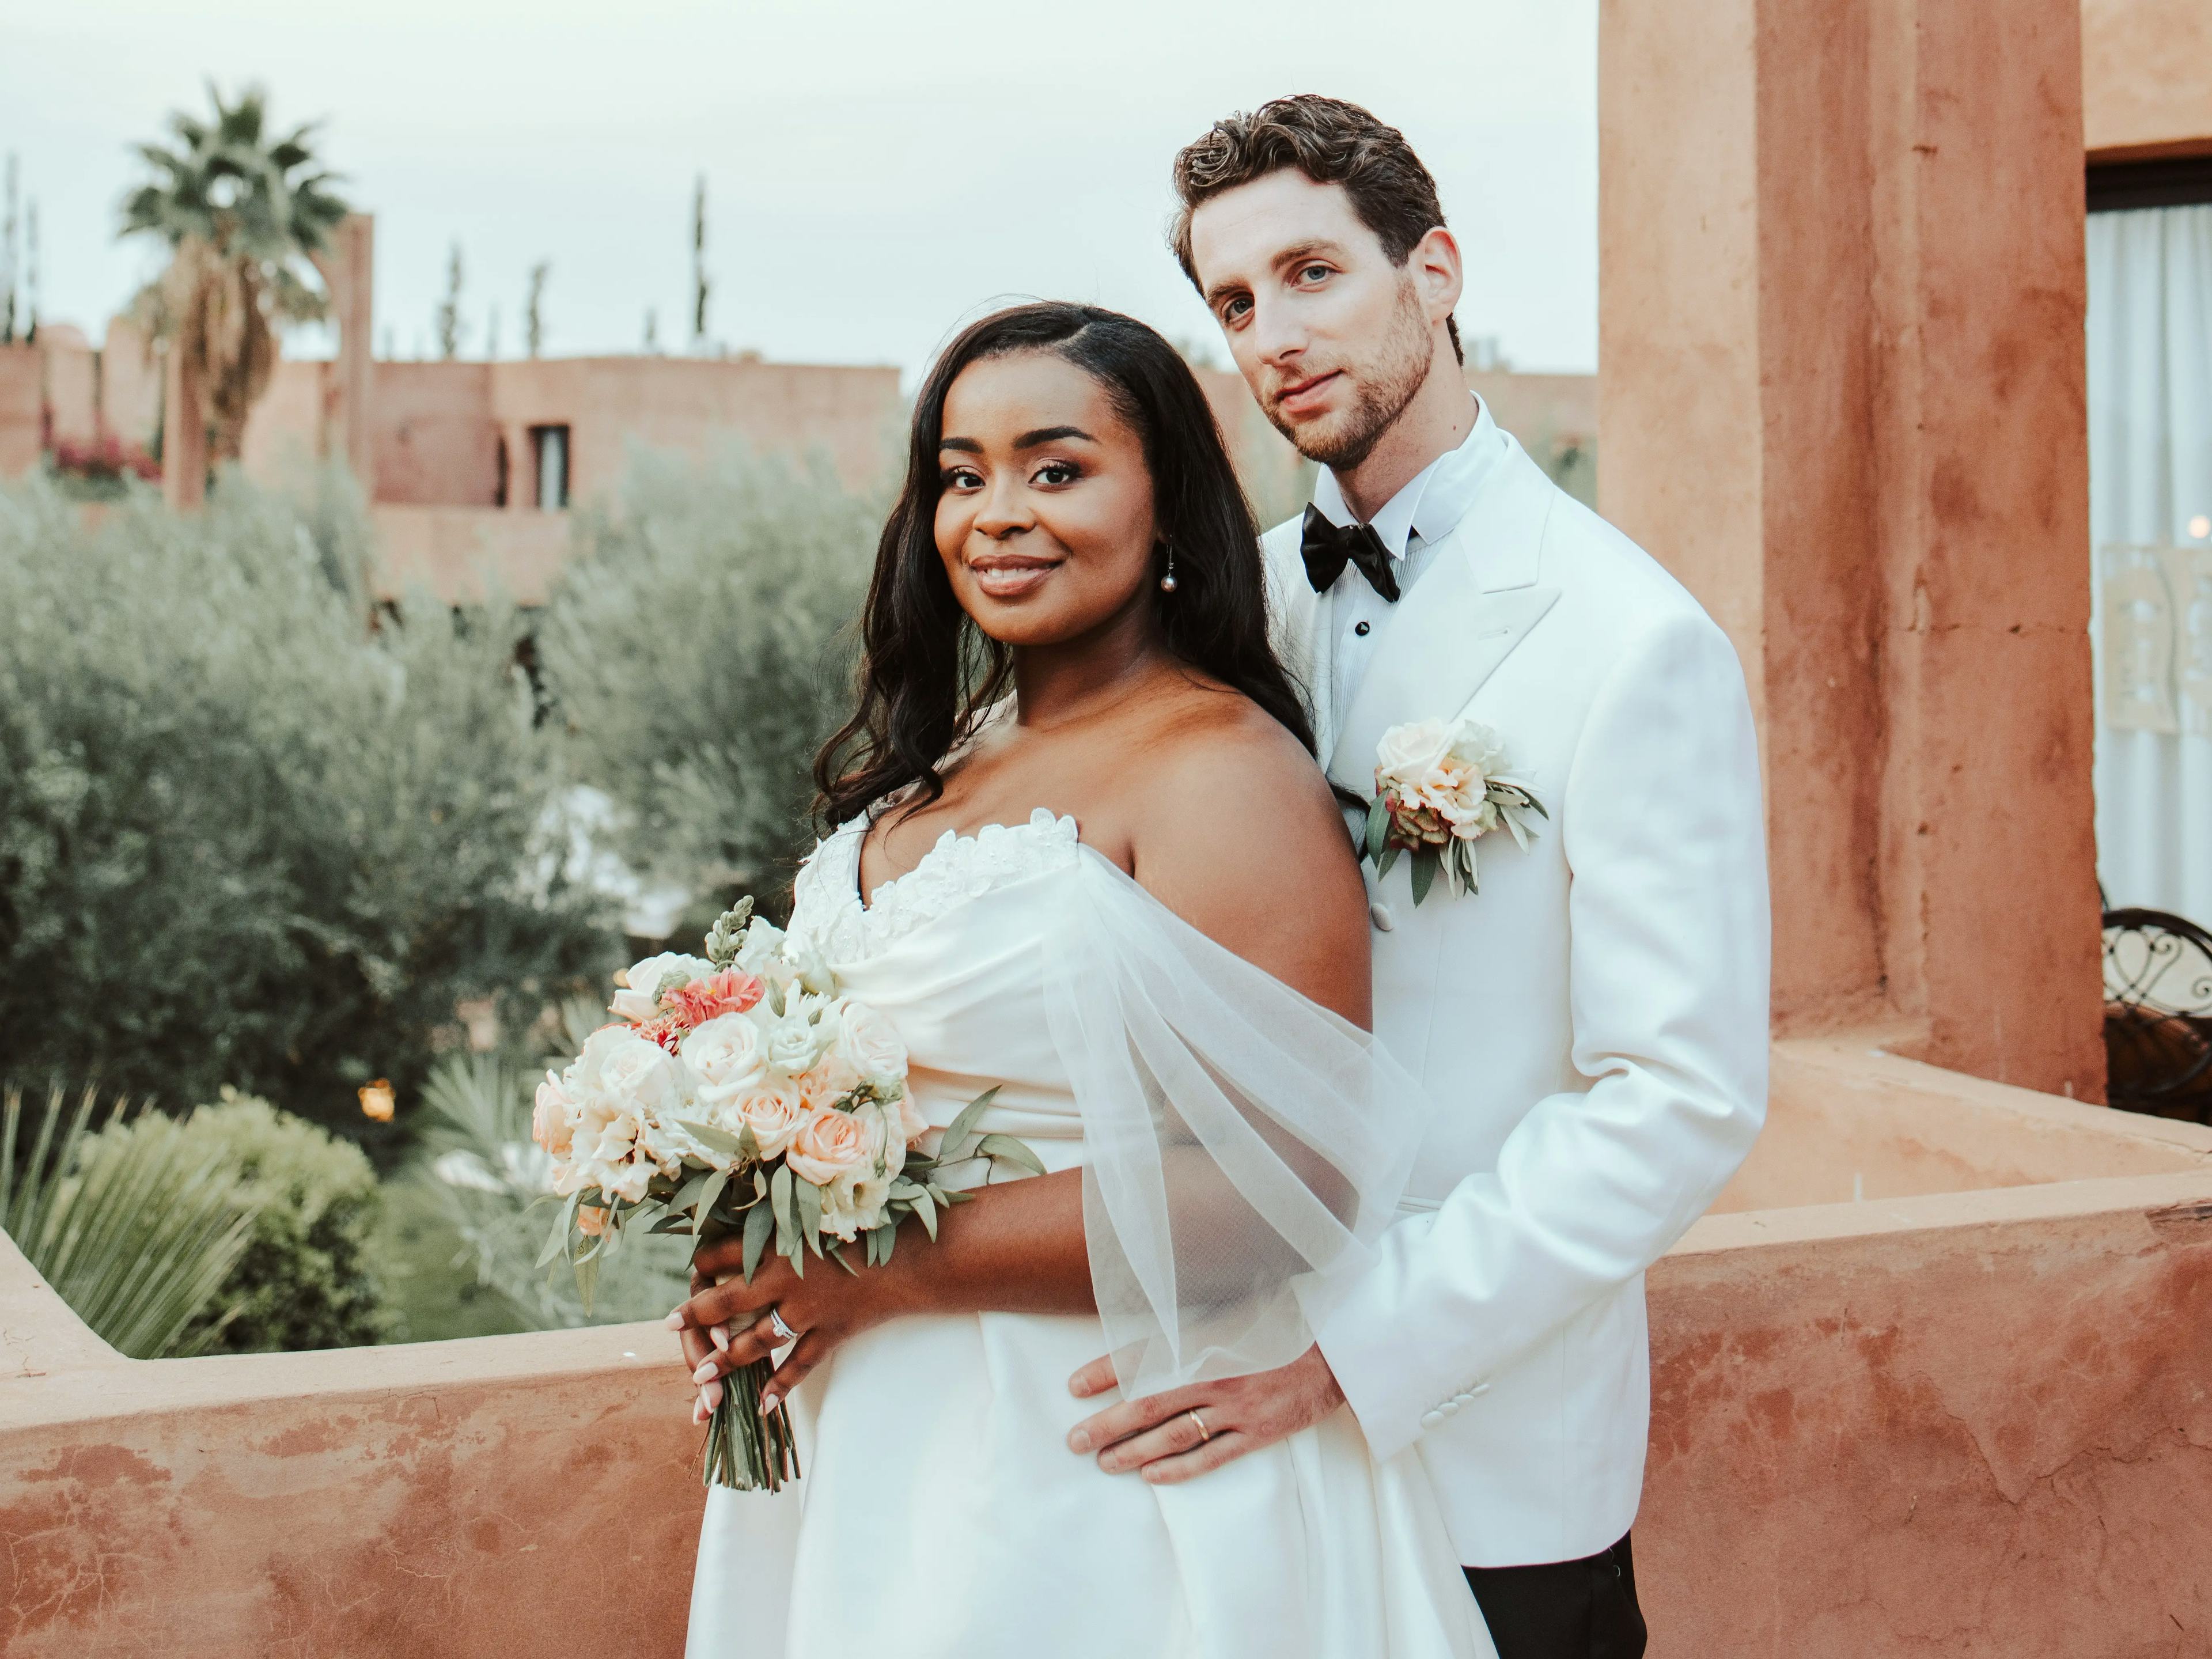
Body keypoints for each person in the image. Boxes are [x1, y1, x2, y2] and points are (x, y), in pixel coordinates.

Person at [1058, 96, 1771, 1659]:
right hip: (1219, 1450)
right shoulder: (1221, 626)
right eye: (1235, 303)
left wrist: (1342, 1356)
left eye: (1314, 273)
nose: (1274, 335)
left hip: (1486, 1466)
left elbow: (1682, 1093)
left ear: (1433, 271)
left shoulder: (1629, 638)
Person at [676, 301, 1493, 1657]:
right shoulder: (948, 760)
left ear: (1166, 503)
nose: (997, 513)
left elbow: (1290, 1181)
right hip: (874, 1458)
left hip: (1089, 1473)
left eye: (1057, 470)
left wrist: (875, 1269)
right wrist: (751, 1248)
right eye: (961, 473)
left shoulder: (1219, 772)